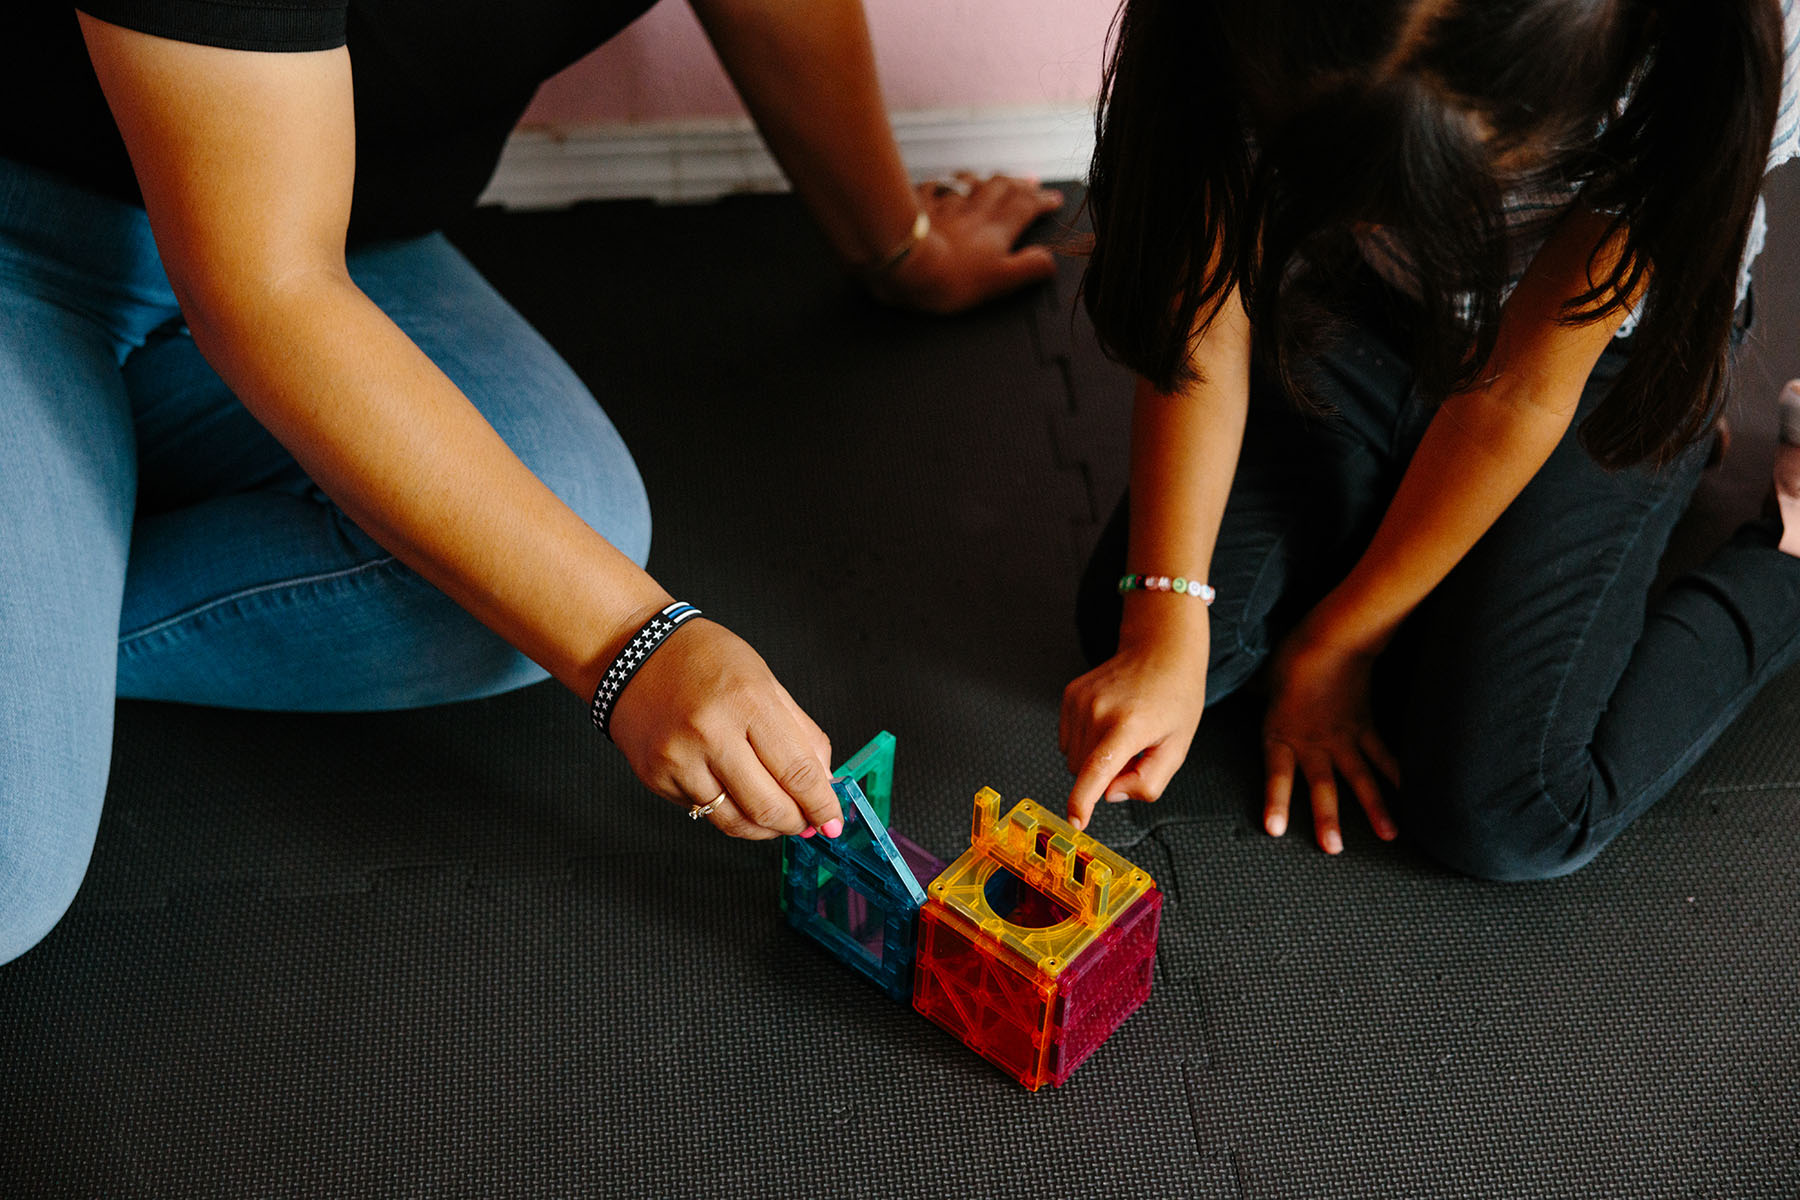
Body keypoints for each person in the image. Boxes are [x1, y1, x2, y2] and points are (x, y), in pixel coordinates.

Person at [0, 0, 1065, 965]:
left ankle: (61, 581)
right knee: (13, 874)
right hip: (38, 224)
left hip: (333, 226)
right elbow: (260, 289)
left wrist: (898, 247)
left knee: (572, 531)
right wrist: (637, 648)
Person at [1059, 0, 1800, 880]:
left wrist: (1340, 645)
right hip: (1368, 300)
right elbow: (1206, 286)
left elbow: (1520, 387)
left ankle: (1785, 540)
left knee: (1505, 811)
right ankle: (1453, 514)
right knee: (1144, 636)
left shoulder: (1703, 38)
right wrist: (1162, 618)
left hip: (1601, 351)